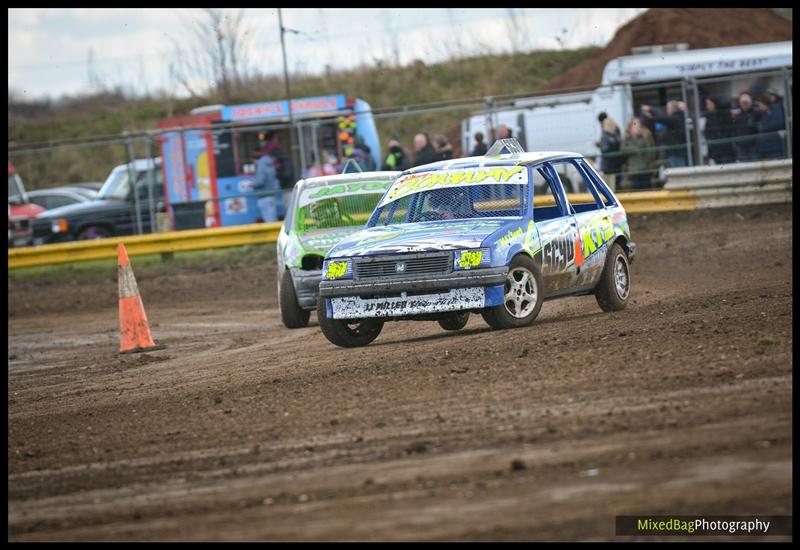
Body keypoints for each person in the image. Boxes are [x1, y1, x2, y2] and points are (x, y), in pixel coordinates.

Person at [641, 101, 689, 168]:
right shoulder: (678, 117)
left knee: (679, 171)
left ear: (671, 108)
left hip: (677, 151)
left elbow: (662, 119)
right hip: (675, 151)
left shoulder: (676, 118)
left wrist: (651, 113)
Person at [621, 117, 657, 190]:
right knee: (636, 189)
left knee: (647, 188)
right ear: (630, 127)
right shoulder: (627, 138)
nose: (637, 127)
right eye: (634, 125)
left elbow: (651, 152)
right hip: (633, 170)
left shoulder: (645, 136)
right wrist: (635, 149)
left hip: (645, 169)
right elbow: (623, 150)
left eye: (638, 125)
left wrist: (648, 164)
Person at [251, 146, 280, 223]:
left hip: (264, 196)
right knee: (272, 220)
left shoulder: (261, 165)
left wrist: (251, 184)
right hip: (271, 195)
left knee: (269, 221)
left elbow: (260, 181)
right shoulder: (270, 164)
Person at [703, 97, 736, 165]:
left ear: (714, 104)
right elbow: (707, 133)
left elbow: (729, 130)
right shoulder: (709, 116)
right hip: (715, 151)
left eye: (708, 103)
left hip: (725, 150)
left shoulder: (723, 115)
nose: (707, 106)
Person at [595, 112, 623, 188]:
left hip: (613, 165)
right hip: (609, 166)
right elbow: (605, 149)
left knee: (614, 184)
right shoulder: (607, 135)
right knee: (610, 185)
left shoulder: (611, 134)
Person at [756, 89, 786, 160]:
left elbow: (778, 123)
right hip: (765, 149)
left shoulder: (776, 109)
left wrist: (763, 127)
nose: (759, 107)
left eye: (760, 104)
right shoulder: (763, 114)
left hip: (774, 148)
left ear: (765, 104)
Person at [732, 92, 760, 162]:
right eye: (743, 103)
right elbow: (735, 130)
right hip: (741, 146)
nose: (745, 105)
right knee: (743, 166)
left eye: (746, 103)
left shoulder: (756, 113)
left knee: (755, 165)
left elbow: (758, 128)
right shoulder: (737, 116)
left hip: (753, 145)